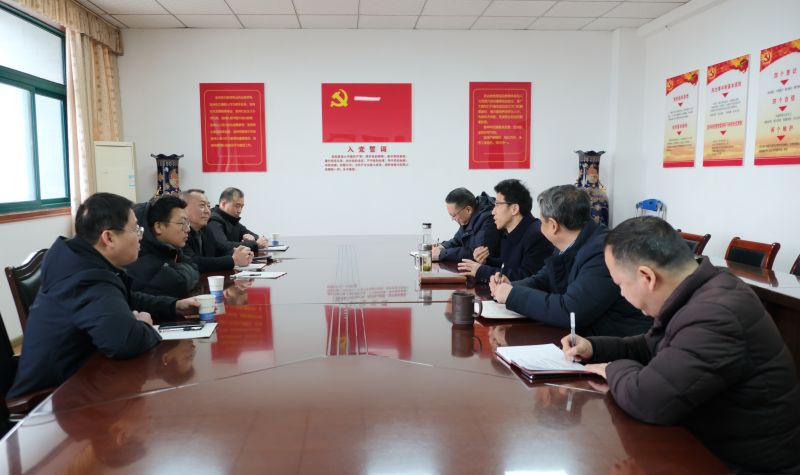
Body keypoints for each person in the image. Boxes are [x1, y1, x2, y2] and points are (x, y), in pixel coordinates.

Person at [563, 216, 800, 474]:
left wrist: (611, 368)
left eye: (620, 284)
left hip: (747, 466)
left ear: (647, 277)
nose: (621, 293)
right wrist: (594, 348)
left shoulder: (715, 315)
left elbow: (647, 400)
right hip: (712, 446)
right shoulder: (702, 288)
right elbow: (650, 345)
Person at [8, 193, 199, 399]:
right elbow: (125, 342)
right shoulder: (85, 278)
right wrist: (143, 324)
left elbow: (127, 297)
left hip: (86, 376)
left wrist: (173, 306)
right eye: (135, 229)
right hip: (54, 398)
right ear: (108, 238)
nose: (141, 236)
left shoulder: (82, 260)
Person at [489, 185, 651, 337]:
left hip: (618, 343)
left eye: (542, 222)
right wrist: (511, 286)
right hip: (586, 337)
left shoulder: (602, 253)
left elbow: (570, 311)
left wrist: (512, 296)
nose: (539, 226)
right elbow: (545, 279)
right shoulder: (572, 240)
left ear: (553, 226)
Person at [457, 179, 553, 283]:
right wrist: (486, 261)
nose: (493, 212)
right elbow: (507, 264)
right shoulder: (510, 231)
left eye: (497, 205)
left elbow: (525, 278)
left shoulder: (537, 235)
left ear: (514, 209)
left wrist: (481, 271)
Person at [127, 195, 199, 298]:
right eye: (183, 223)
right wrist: (180, 268)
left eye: (187, 223)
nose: (188, 229)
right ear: (158, 227)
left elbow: (194, 266)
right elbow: (180, 283)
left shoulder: (170, 248)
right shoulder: (140, 255)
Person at [180, 189, 253, 272]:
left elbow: (220, 251)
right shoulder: (180, 233)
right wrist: (233, 260)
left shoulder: (206, 230)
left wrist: (243, 253)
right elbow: (194, 262)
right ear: (183, 208)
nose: (207, 211)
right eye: (202, 205)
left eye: (208, 206)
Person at [432, 188, 500, 262]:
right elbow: (456, 241)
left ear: (468, 210)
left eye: (454, 215)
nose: (452, 219)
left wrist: (442, 254)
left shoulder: (489, 219)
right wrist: (441, 247)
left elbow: (475, 254)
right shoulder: (467, 219)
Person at [207, 187, 266, 253]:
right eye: (237, 206)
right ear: (223, 204)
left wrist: (253, 239)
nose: (240, 211)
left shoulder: (232, 219)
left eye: (242, 207)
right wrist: (254, 244)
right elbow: (223, 246)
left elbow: (251, 234)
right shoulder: (214, 220)